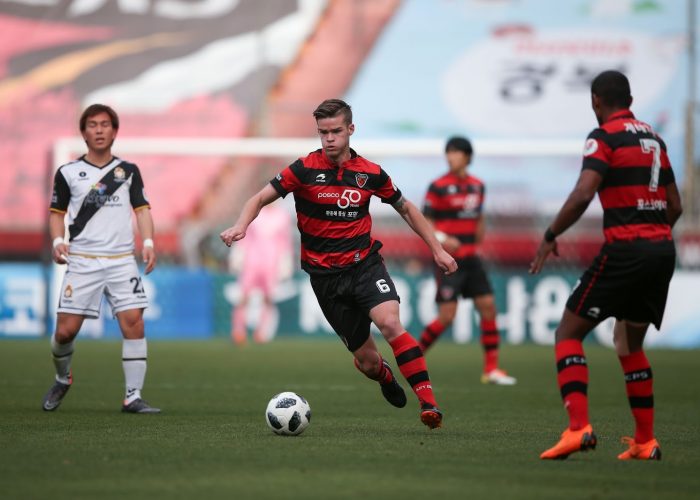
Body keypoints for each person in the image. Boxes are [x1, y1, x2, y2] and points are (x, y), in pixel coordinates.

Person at [220, 99, 457, 428]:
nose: (329, 138)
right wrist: (241, 226)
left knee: (390, 323)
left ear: (350, 130)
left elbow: (405, 208)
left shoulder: (371, 173)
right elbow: (260, 197)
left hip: (365, 266)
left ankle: (429, 404)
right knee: (369, 362)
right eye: (323, 133)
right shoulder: (302, 170)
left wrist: (437, 249)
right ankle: (385, 376)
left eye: (335, 131)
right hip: (326, 279)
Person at [530, 70, 682, 460]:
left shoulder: (604, 137)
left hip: (626, 250)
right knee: (628, 343)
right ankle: (646, 442)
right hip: (662, 251)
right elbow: (675, 205)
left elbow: (584, 192)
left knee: (567, 332)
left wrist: (551, 234)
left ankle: (578, 429)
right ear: (629, 99)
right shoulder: (655, 139)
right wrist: (652, 236)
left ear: (596, 101)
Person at [43, 103, 160, 414]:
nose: (98, 130)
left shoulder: (128, 171)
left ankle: (132, 397)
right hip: (82, 259)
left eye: (105, 124)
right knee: (64, 332)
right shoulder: (67, 173)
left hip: (122, 259)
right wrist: (58, 240)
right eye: (92, 125)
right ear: (83, 132)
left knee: (134, 323)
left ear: (114, 131)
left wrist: (147, 241)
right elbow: (56, 214)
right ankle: (62, 377)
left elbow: (142, 210)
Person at [419, 136, 516, 385]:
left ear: (467, 157)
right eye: (448, 152)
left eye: (456, 152)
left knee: (488, 307)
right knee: (447, 316)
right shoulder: (437, 186)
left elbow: (480, 217)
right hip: (448, 260)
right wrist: (442, 238)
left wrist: (479, 239)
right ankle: (413, 358)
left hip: (472, 258)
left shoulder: (477, 186)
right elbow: (425, 221)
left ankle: (491, 369)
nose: (451, 156)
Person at [229, 204, 293, 344]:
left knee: (268, 298)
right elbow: (245, 236)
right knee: (243, 296)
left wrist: (286, 262)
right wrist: (238, 255)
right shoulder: (254, 212)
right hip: (251, 261)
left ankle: (262, 332)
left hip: (271, 263)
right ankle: (238, 330)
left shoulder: (282, 216)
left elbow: (285, 241)